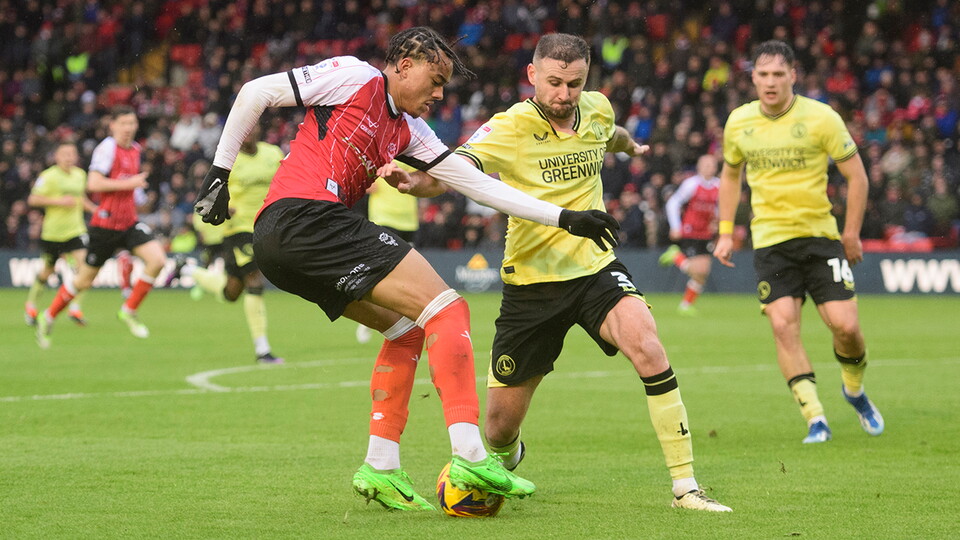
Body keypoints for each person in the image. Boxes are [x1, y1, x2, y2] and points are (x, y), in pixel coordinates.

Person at [194, 26, 619, 511]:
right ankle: (470, 452)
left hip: (287, 245)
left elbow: (478, 185)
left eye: (444, 86)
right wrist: (219, 172)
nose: (440, 94)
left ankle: (381, 465)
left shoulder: (412, 132)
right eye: (434, 80)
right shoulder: (355, 77)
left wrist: (564, 217)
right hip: (302, 217)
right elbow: (256, 92)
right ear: (402, 65)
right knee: (449, 309)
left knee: (407, 331)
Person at [387, 33, 731, 512]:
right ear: (533, 76)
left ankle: (686, 488)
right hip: (531, 285)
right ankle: (507, 458)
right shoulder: (508, 126)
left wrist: (633, 148)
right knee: (499, 429)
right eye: (554, 83)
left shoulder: (598, 108)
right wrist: (417, 181)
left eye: (574, 83)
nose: (564, 94)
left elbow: (613, 135)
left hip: (595, 267)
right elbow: (457, 170)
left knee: (647, 344)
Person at [713, 40, 884, 444]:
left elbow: (857, 177)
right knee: (783, 326)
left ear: (793, 75)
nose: (770, 83)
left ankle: (854, 390)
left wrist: (851, 232)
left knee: (846, 327)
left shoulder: (822, 118)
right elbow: (731, 176)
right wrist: (724, 232)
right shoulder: (739, 122)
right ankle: (816, 417)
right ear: (752, 77)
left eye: (778, 74)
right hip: (771, 241)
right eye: (763, 74)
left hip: (820, 237)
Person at [35, 106, 168, 348]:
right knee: (84, 281)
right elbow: (94, 184)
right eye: (124, 123)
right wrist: (130, 183)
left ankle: (128, 310)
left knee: (157, 260)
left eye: (132, 123)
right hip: (105, 226)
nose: (129, 128)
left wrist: (140, 197)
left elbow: (130, 188)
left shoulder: (136, 150)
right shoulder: (106, 148)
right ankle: (49, 315)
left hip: (128, 222)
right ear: (113, 126)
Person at [189, 127, 286, 364]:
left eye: (252, 128)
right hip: (239, 228)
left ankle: (195, 274)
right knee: (255, 279)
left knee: (232, 291)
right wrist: (222, 205)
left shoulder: (273, 154)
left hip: (267, 224)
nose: (248, 133)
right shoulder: (227, 160)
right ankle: (262, 349)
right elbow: (206, 198)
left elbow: (287, 180)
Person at [25, 142, 97, 327]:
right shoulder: (48, 176)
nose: (69, 157)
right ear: (56, 156)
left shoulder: (80, 175)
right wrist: (58, 201)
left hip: (76, 230)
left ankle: (75, 308)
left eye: (72, 153)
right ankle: (31, 305)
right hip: (53, 233)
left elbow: (81, 199)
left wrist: (96, 210)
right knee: (47, 270)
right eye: (65, 153)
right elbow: (33, 199)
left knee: (86, 268)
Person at [356, 171, 421, 344]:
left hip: (408, 219)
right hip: (383, 216)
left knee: (408, 273)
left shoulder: (411, 152)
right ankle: (371, 315)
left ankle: (403, 316)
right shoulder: (377, 153)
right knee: (381, 270)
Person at [658, 154, 721, 315]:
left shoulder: (718, 186)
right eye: (705, 165)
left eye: (711, 165)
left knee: (703, 272)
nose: (709, 168)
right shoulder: (691, 184)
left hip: (706, 232)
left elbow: (718, 208)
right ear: (699, 167)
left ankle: (685, 305)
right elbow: (673, 203)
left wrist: (717, 221)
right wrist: (676, 226)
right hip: (690, 231)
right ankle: (675, 256)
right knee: (697, 271)